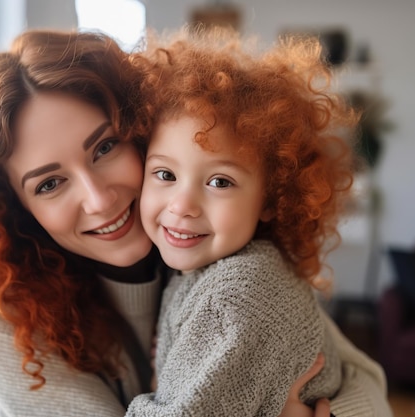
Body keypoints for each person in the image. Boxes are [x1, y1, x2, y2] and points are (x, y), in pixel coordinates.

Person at [0, 28, 391, 417]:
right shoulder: (3, 309)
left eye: (104, 148)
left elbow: (364, 381)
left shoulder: (207, 250)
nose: (99, 198)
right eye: (49, 184)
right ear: (16, 209)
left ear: (142, 134)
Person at [123, 26, 363, 416]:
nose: (182, 205)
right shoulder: (207, 270)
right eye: (165, 175)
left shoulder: (238, 296)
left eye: (220, 181)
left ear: (270, 200)